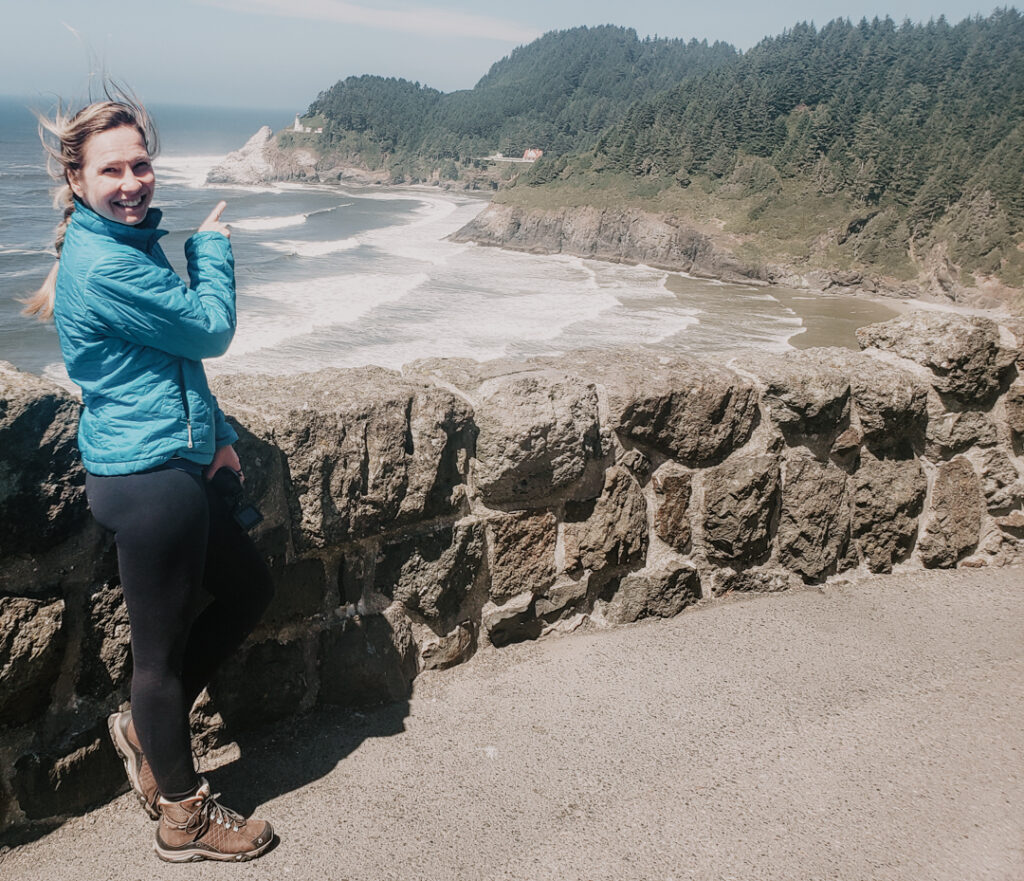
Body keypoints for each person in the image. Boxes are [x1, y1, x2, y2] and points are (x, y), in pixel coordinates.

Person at [24, 87, 276, 863]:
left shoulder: (121, 244)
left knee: (248, 588)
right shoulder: (105, 263)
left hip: (175, 459)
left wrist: (220, 437)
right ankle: (182, 812)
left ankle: (143, 731)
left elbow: (172, 364)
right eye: (112, 170)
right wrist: (212, 248)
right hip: (147, 480)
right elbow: (208, 329)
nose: (132, 182)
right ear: (76, 177)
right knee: (158, 662)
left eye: (141, 164)